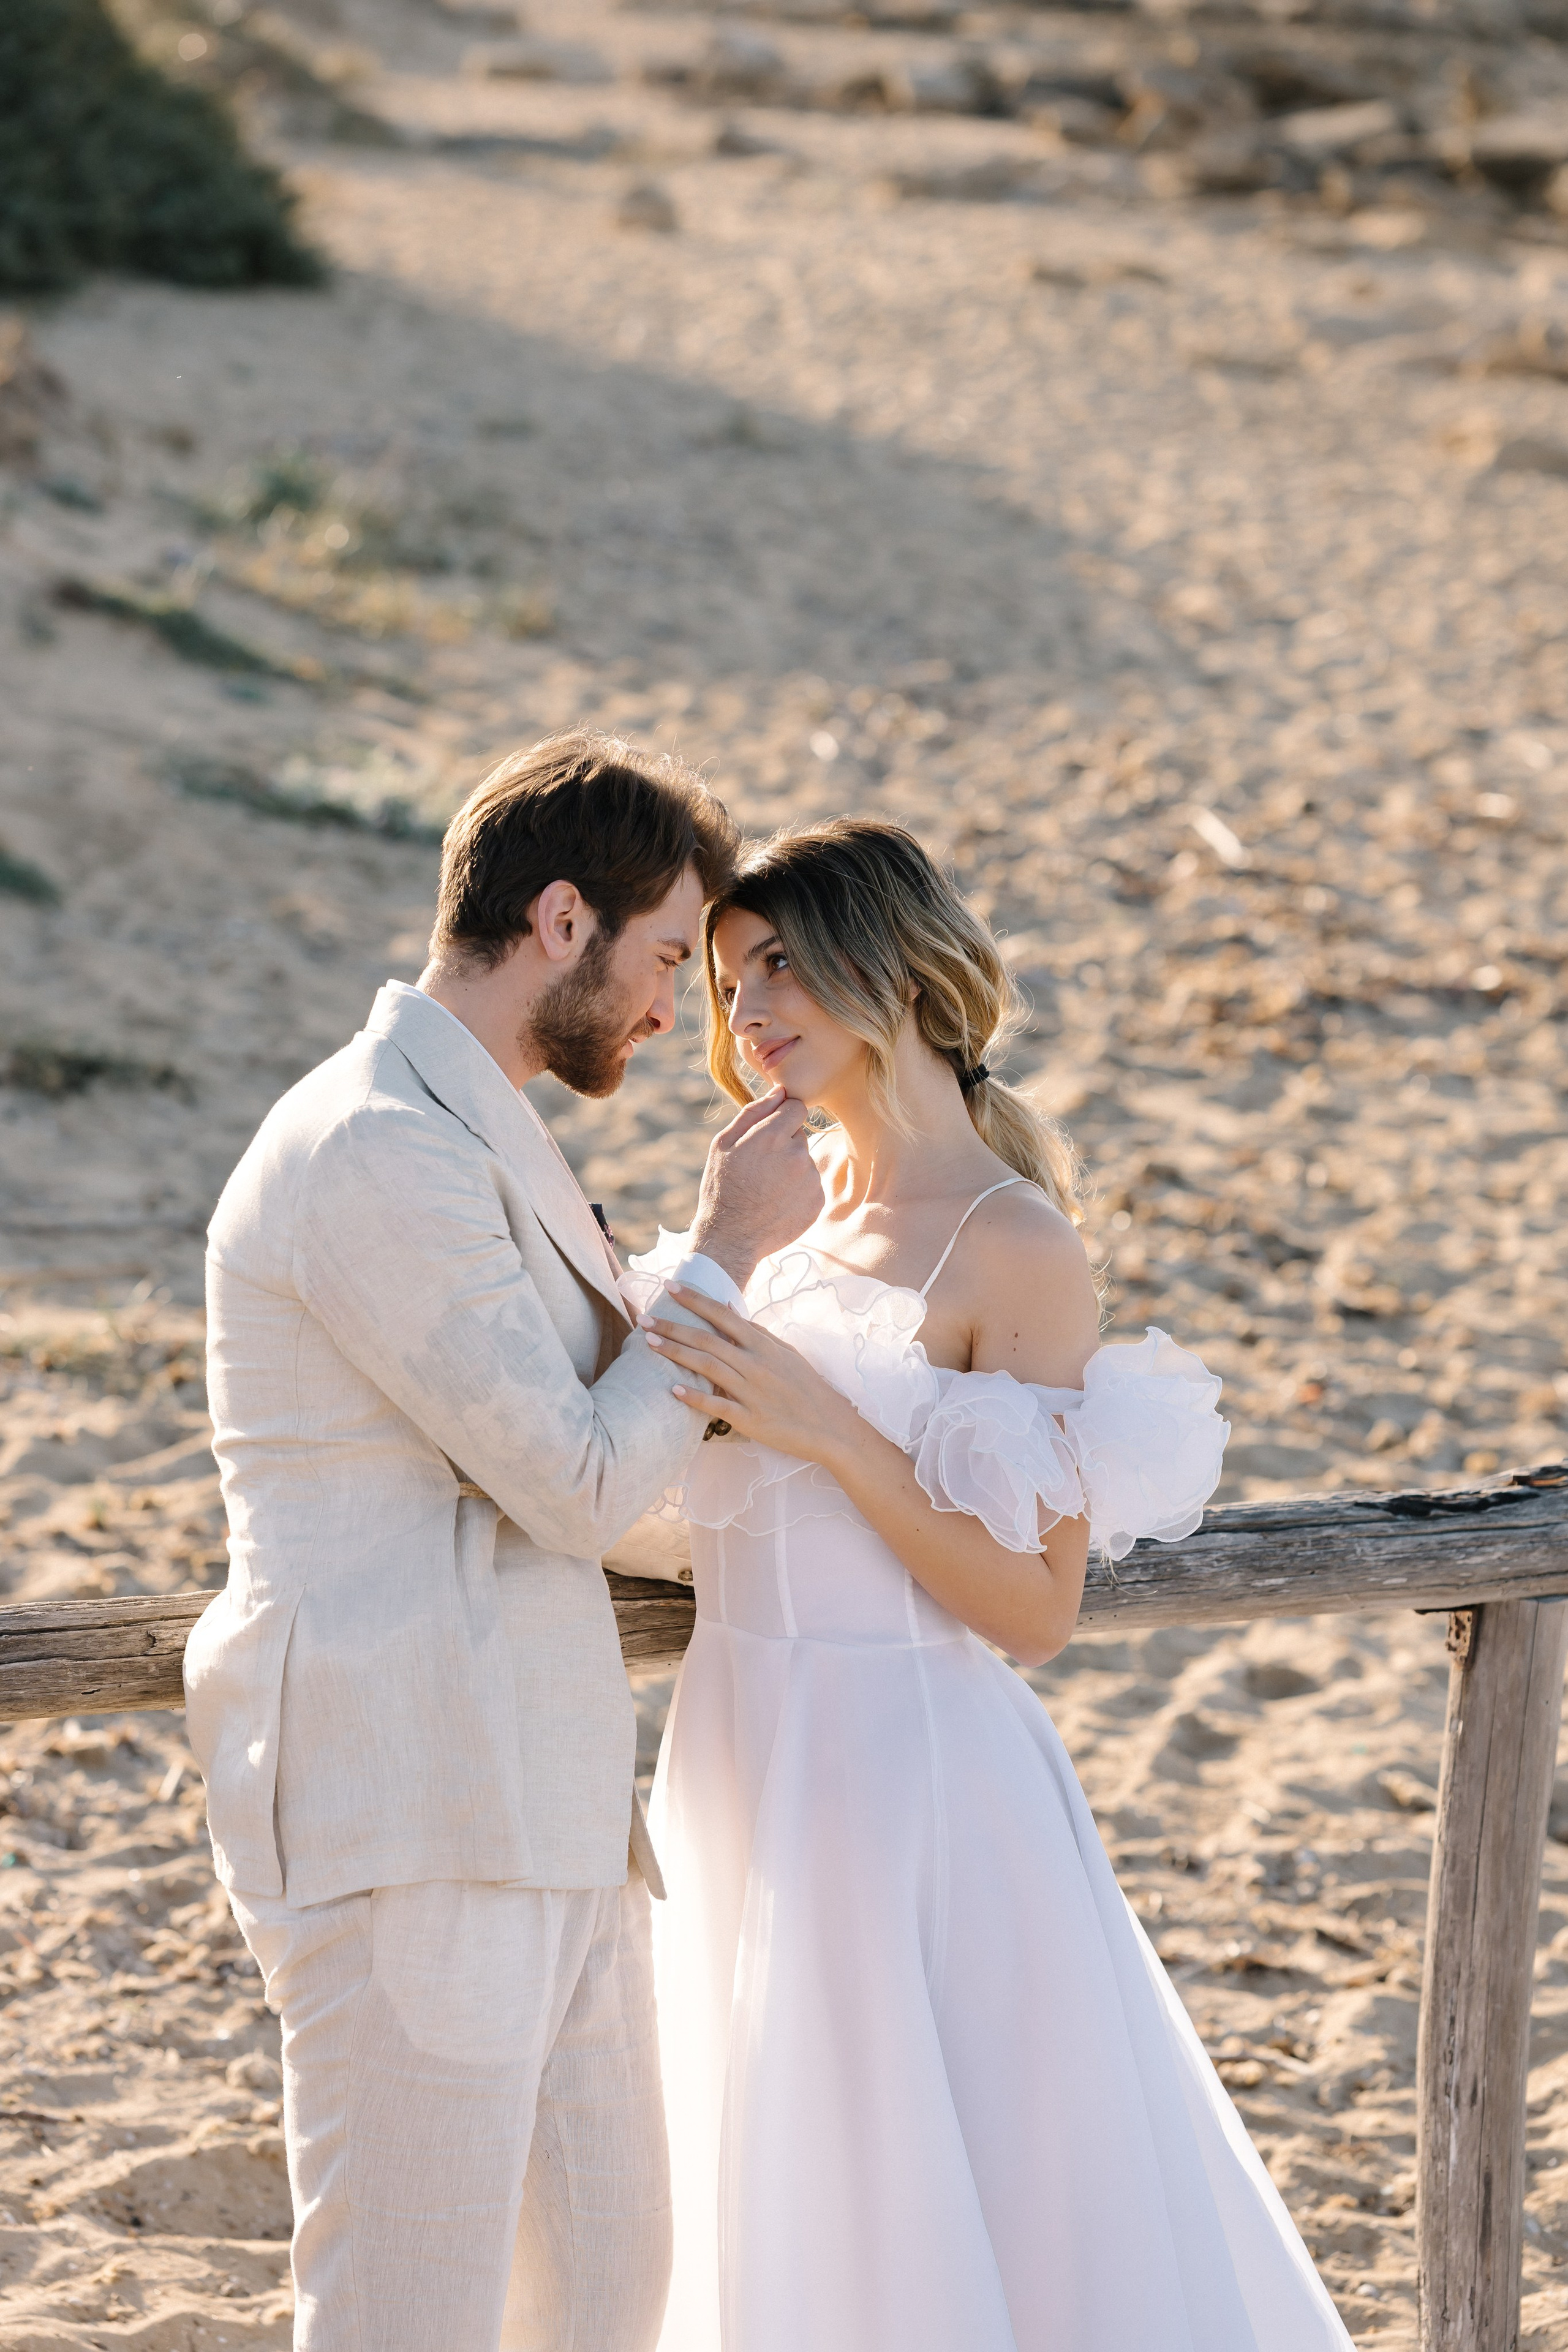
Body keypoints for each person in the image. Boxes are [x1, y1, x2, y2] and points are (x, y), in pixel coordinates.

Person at [625, 817, 1355, 2352]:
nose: (743, 1009)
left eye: (775, 966)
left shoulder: (1012, 1244)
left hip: (915, 1784)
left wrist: (827, 1432)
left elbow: (1034, 1612)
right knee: (770, 2181)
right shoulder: (777, 1210)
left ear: (887, 966)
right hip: (735, 1749)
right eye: (722, 978)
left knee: (952, 2203)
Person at [183, 732, 824, 2352]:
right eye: (670, 956)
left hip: (546, 1809)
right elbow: (581, 1485)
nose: (682, 1010)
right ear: (559, 923)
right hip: (409, 1813)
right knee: (408, 2318)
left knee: (610, 2299)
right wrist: (729, 1258)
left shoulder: (486, 1134)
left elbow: (628, 1469)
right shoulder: (373, 1148)